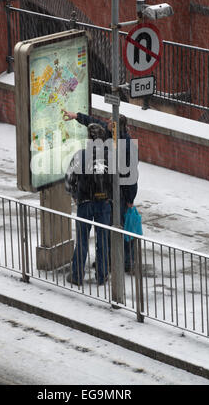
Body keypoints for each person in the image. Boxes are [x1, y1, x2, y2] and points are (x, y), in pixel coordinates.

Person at [63, 110, 138, 272]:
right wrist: (77, 116)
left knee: (120, 226)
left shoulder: (125, 146)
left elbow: (131, 173)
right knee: (109, 229)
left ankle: (124, 262)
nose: (108, 122)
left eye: (112, 122)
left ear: (118, 127)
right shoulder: (110, 135)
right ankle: (106, 266)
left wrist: (130, 198)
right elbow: (94, 122)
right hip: (108, 194)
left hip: (121, 192)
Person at [65, 123, 112, 286]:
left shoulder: (80, 155)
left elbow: (69, 178)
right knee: (103, 239)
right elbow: (117, 181)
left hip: (85, 202)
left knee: (82, 239)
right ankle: (102, 274)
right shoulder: (110, 156)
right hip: (104, 203)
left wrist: (74, 195)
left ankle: (77, 275)